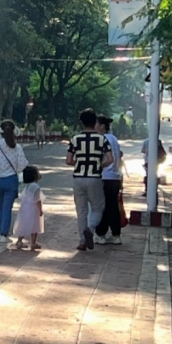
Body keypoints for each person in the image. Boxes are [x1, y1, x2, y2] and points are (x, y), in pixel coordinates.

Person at [67, 108, 113, 251]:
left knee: (81, 211)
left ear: (82, 122)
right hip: (94, 177)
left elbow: (69, 160)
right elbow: (110, 159)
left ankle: (82, 241)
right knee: (98, 207)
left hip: (78, 178)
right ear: (94, 122)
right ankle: (90, 229)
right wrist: (99, 164)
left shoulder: (75, 139)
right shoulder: (102, 139)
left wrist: (79, 162)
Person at [0, 123, 28, 243]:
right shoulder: (17, 147)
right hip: (10, 180)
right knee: (7, 207)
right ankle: (4, 233)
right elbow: (22, 165)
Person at [94, 115, 123, 245]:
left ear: (102, 126)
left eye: (96, 124)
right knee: (113, 206)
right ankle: (116, 235)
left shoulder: (102, 139)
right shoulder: (114, 139)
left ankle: (101, 234)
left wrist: (98, 167)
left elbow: (101, 158)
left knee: (103, 207)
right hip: (115, 177)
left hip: (104, 176)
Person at [14, 165, 44, 251]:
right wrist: (40, 210)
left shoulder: (27, 186)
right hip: (33, 208)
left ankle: (19, 241)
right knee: (35, 225)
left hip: (25, 207)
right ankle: (33, 243)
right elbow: (37, 199)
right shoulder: (36, 187)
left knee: (24, 224)